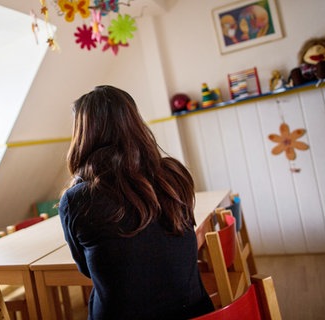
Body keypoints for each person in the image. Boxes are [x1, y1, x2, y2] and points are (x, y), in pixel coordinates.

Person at [59, 85, 214, 320]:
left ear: (84, 135)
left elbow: (86, 270)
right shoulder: (175, 175)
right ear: (134, 123)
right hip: (197, 314)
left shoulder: (76, 199)